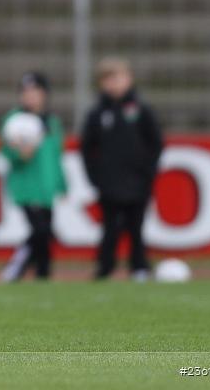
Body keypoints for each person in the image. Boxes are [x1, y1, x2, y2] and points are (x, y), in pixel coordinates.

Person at [80, 57, 163, 281]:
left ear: (129, 79)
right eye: (109, 79)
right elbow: (87, 148)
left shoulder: (142, 109)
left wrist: (149, 172)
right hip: (109, 182)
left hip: (138, 181)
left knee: (136, 226)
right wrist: (95, 177)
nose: (114, 84)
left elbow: (155, 143)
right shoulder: (97, 114)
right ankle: (105, 266)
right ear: (101, 83)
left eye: (119, 78)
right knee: (110, 227)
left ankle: (139, 266)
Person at [0, 72, 67, 282]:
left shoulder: (52, 121)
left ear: (44, 94)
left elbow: (56, 156)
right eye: (25, 92)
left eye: (34, 92)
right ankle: (18, 266)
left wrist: (61, 184)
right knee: (41, 230)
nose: (29, 97)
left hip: (46, 187)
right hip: (26, 186)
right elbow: (7, 151)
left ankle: (43, 274)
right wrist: (20, 154)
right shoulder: (14, 120)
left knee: (45, 234)